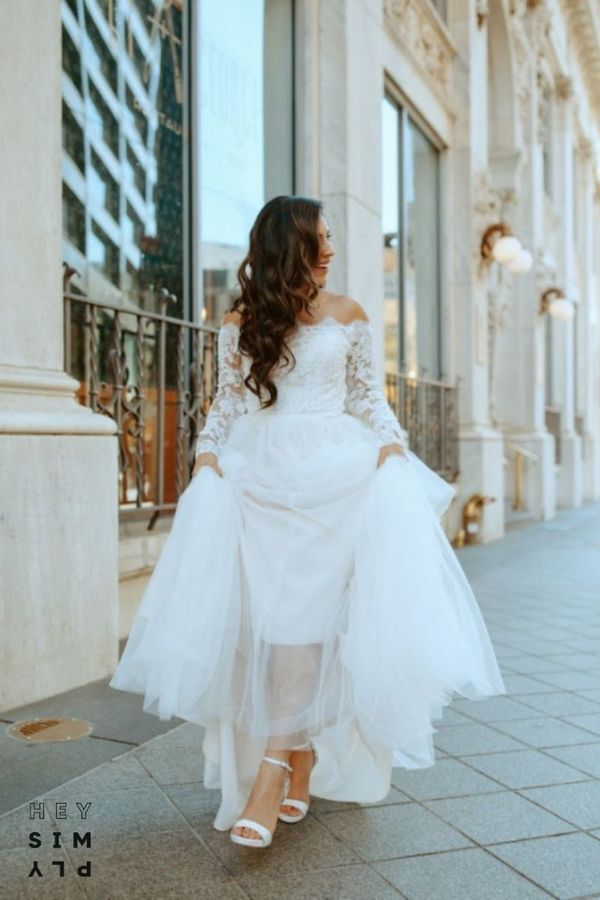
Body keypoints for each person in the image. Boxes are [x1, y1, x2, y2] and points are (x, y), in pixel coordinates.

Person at [109, 195, 506, 849]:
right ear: (286, 249)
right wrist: (206, 454)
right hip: (261, 479)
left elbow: (366, 398)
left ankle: (268, 777)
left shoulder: (347, 313)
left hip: (335, 481)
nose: (328, 250)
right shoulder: (241, 322)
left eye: (329, 238)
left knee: (299, 634)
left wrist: (390, 444)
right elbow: (227, 402)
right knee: (268, 633)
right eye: (317, 239)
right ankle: (300, 758)